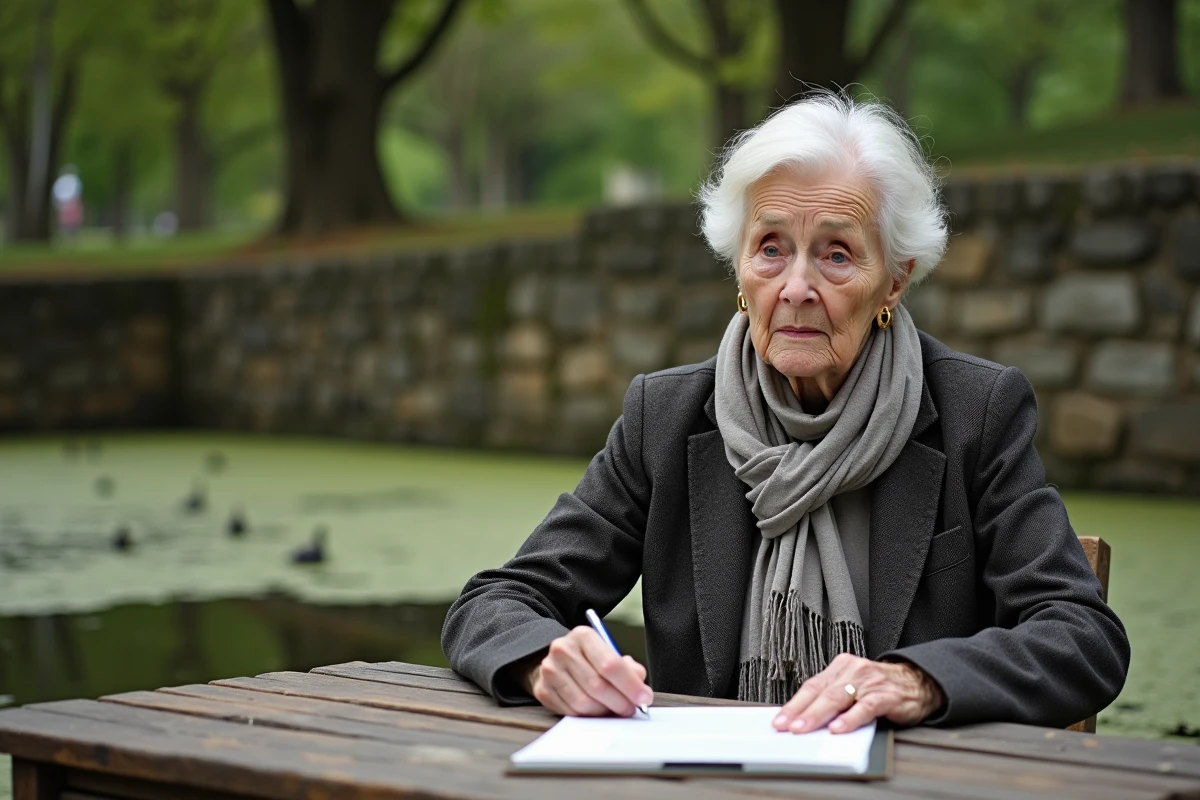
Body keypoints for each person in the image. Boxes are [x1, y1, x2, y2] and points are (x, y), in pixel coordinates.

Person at [442, 93, 1129, 735]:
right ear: (740, 268)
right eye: (771, 248)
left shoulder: (975, 413)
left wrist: (919, 681)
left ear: (895, 279)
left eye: (837, 254)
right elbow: (496, 601)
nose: (796, 287)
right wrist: (546, 660)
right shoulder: (668, 417)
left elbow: (1083, 637)